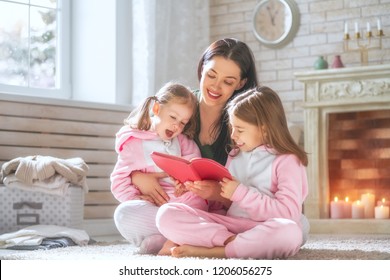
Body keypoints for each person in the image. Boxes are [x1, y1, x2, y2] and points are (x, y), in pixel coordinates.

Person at [113, 38, 259, 254]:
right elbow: (135, 151)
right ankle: (199, 238)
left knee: (297, 225)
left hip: (219, 210)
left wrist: (217, 194)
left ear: (241, 83)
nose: (216, 87)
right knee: (125, 215)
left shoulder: (244, 121)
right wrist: (136, 178)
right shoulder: (181, 104)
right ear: (202, 69)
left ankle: (178, 238)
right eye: (211, 75)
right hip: (172, 209)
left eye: (228, 82)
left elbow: (256, 187)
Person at [156, 86, 310, 259]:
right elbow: (225, 207)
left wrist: (240, 193)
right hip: (229, 226)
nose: (234, 135)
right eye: (232, 128)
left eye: (240, 129)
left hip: (265, 226)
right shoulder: (235, 155)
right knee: (166, 214)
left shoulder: (288, 160)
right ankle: (233, 242)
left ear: (264, 128)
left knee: (290, 232)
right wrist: (211, 193)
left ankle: (213, 250)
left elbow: (288, 213)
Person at [110, 82, 208, 254]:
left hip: (180, 204)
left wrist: (184, 184)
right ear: (156, 109)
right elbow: (118, 182)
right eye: (173, 117)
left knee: (199, 201)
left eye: (183, 122)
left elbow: (195, 166)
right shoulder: (134, 144)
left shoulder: (182, 142)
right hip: (154, 208)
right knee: (123, 214)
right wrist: (138, 198)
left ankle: (170, 238)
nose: (177, 126)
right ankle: (170, 238)